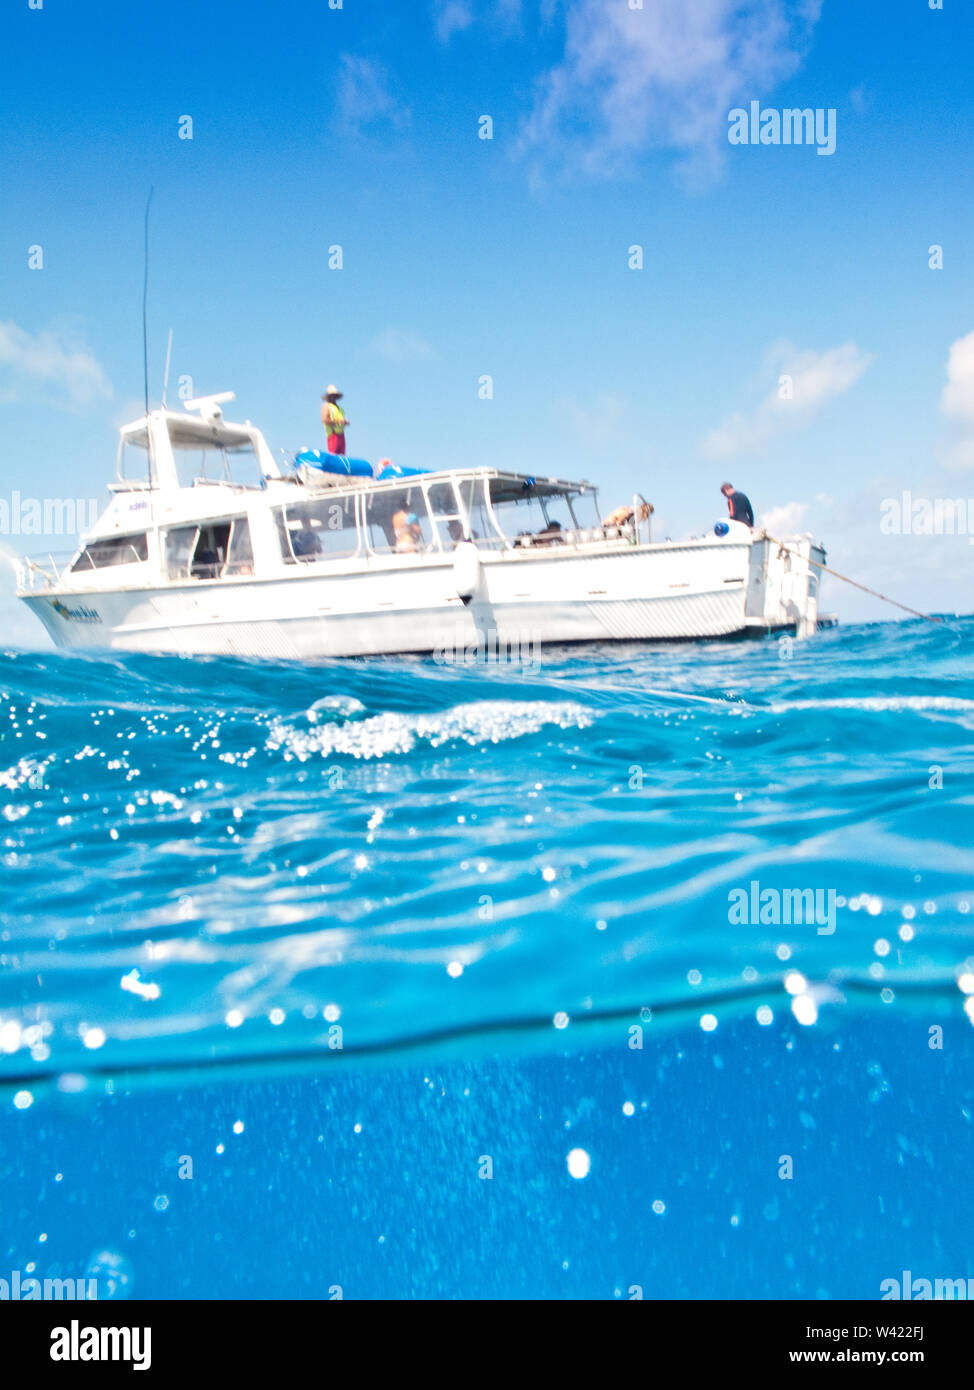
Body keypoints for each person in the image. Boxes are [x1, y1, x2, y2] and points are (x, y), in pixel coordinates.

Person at [321, 385, 349, 455]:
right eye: (331, 395)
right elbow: (325, 420)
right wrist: (340, 421)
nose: (333, 397)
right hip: (333, 435)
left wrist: (344, 422)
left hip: (341, 435)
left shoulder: (340, 409)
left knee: (342, 458)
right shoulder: (326, 406)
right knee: (334, 455)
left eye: (334, 395)